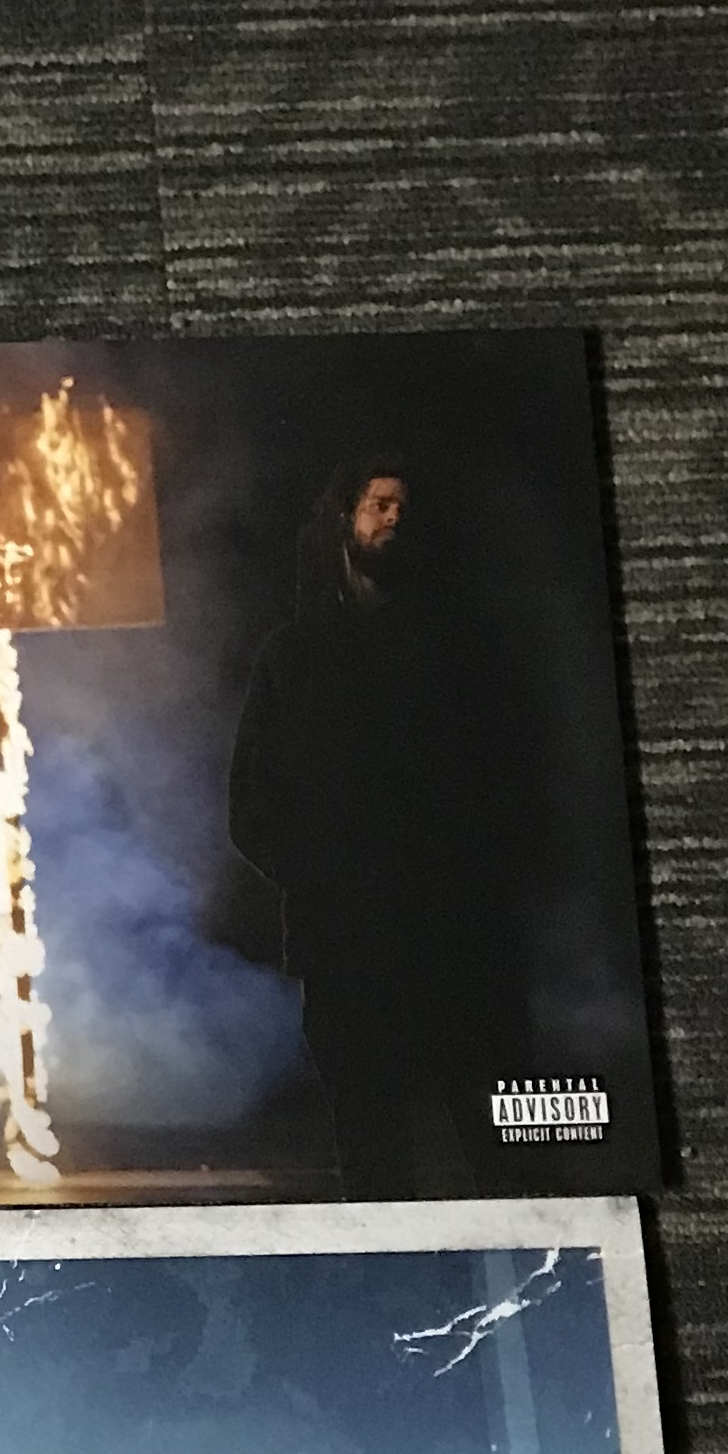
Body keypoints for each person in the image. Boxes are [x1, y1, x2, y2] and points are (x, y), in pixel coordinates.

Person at [227, 451, 529, 1192]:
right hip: (348, 947)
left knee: (496, 1139)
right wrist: (322, 879)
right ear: (344, 520)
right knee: (372, 1147)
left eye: (404, 508)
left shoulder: (459, 652)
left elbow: (510, 779)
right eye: (380, 505)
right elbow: (252, 801)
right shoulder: (295, 656)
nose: (395, 519)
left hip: (456, 938)